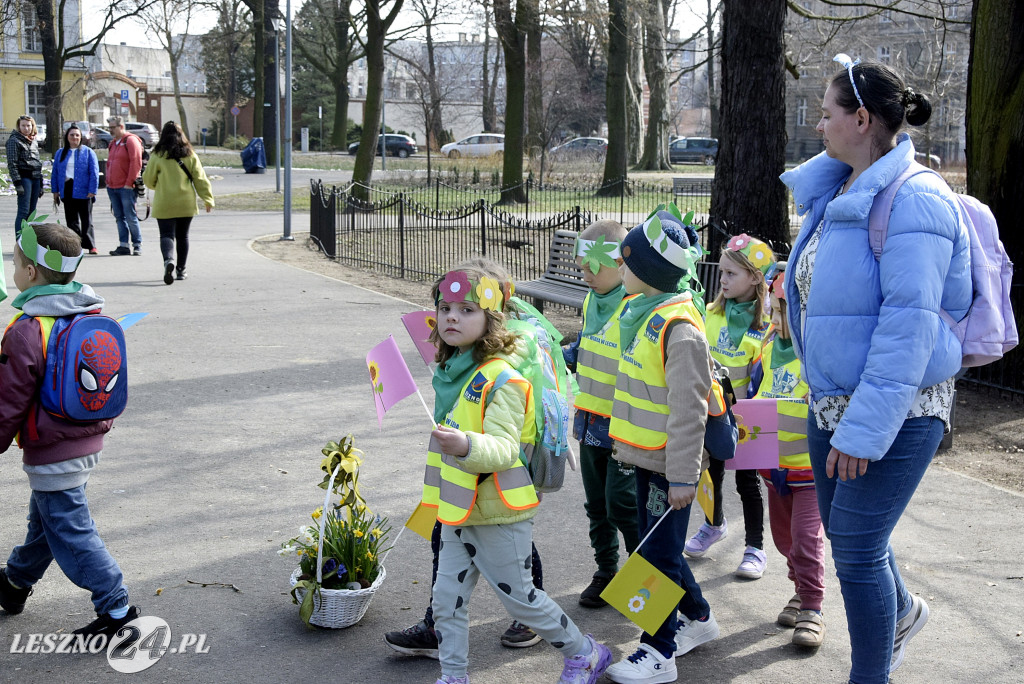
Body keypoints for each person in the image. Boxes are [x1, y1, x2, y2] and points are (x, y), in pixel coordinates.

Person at [780, 54, 971, 683]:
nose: (818, 126)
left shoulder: (917, 199)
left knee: (858, 553)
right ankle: (903, 611)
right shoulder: (837, 187)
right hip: (831, 400)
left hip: (897, 406)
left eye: (827, 113)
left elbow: (907, 327)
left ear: (861, 119)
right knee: (848, 538)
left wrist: (864, 431)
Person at [423, 259, 611, 684]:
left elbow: (505, 448)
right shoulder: (450, 374)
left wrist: (464, 444)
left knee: (522, 600)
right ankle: (453, 676)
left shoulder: (502, 377)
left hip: (500, 513)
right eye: (446, 307)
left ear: (491, 320)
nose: (452, 316)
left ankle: (585, 653)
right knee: (446, 601)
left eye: (467, 310)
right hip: (458, 508)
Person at [0, 223, 140, 641]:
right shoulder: (87, 312)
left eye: (16, 261)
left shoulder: (28, 328)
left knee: (70, 529)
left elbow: (9, 400)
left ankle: (116, 608)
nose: (13, 267)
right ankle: (14, 583)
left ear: (29, 274)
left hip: (52, 447)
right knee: (47, 520)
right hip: (85, 436)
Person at [605, 207, 720, 684]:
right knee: (658, 548)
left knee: (658, 557)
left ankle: (659, 652)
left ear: (648, 272)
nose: (619, 269)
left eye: (626, 262)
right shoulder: (645, 312)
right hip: (648, 459)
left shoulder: (679, 328)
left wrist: (680, 477)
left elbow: (689, 411)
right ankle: (699, 618)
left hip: (668, 467)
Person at [684, 235, 775, 580]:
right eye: (721, 273)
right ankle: (714, 524)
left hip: (747, 418)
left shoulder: (767, 326)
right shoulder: (709, 313)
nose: (722, 280)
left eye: (731, 274)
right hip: (712, 413)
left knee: (748, 482)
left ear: (754, 277)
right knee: (710, 474)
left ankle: (755, 547)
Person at [561, 219, 640, 608]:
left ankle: (643, 573)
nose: (586, 275)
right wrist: (562, 357)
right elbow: (588, 347)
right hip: (590, 417)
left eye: (594, 266)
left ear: (621, 263)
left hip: (623, 424)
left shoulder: (634, 305)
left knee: (622, 503)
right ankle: (606, 570)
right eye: (582, 267)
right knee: (597, 503)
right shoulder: (593, 299)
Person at [752, 264, 826, 647]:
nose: (778, 319)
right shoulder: (767, 346)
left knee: (804, 538)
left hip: (810, 471)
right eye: (775, 310)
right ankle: (799, 589)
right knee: (783, 540)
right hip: (773, 468)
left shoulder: (817, 353)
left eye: (786, 311)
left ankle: (813, 607)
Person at [143, 121, 214, 284]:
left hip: (164, 202)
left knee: (166, 235)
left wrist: (157, 186)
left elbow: (148, 179)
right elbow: (200, 178)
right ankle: (181, 270)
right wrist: (208, 198)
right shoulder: (190, 154)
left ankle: (169, 260)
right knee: (183, 236)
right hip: (185, 202)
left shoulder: (157, 155)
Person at [51, 124, 100, 254]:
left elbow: (94, 172)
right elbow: (55, 172)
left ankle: (90, 245)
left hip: (84, 189)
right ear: (67, 137)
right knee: (71, 220)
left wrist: (92, 190)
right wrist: (55, 191)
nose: (74, 137)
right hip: (67, 188)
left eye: (77, 135)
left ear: (81, 137)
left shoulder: (88, 152)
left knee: (86, 219)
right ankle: (75, 245)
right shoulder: (60, 153)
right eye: (72, 135)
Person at [104, 115, 144, 256]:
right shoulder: (113, 143)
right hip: (112, 187)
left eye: (112, 127)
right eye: (109, 128)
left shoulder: (130, 141)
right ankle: (123, 245)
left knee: (130, 216)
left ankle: (137, 244)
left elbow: (136, 162)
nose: (110, 130)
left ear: (121, 127)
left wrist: (129, 183)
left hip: (126, 187)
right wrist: (108, 182)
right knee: (119, 217)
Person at [6, 115, 44, 238]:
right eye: (23, 125)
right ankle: (19, 240)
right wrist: (17, 183)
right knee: (23, 211)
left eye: (29, 125)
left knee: (32, 212)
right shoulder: (14, 140)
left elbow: (37, 163)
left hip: (36, 178)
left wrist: (41, 183)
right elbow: (12, 163)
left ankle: (28, 241)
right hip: (24, 178)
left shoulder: (33, 140)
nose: (26, 128)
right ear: (19, 126)